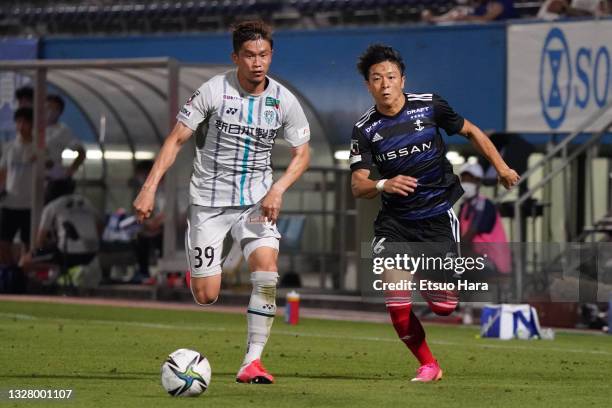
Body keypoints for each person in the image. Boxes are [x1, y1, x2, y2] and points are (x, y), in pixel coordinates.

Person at [133, 20, 311, 384]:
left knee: (266, 272)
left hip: (256, 203)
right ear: (236, 57)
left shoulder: (283, 100)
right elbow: (176, 140)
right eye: (249, 55)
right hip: (209, 205)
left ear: (271, 55)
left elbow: (302, 154)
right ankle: (214, 263)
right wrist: (149, 187)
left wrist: (277, 190)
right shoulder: (213, 91)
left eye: (263, 55)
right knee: (206, 295)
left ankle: (252, 362)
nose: (257, 62)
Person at [349, 44, 519, 382]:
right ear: (368, 85)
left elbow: (470, 130)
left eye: (391, 77)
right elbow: (358, 186)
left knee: (444, 306)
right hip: (395, 224)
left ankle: (429, 281)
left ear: (402, 79)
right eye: (377, 79)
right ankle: (428, 364)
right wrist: (384, 185)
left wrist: (500, 167)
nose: (385, 85)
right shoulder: (364, 130)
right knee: (397, 304)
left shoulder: (429, 105)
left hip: (437, 217)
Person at [20, 178, 100, 274]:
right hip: (91, 254)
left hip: (68, 254)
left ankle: (53, 274)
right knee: (52, 252)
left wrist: (38, 252)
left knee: (25, 261)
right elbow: (100, 223)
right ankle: (60, 273)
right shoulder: (85, 202)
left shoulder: (52, 206)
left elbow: (39, 241)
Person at [0, 107, 36, 265]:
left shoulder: (40, 148)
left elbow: (49, 167)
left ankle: (24, 276)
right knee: (3, 243)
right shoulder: (9, 147)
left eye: (25, 122)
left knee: (29, 245)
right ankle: (11, 273)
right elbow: (3, 172)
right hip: (9, 204)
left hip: (30, 205)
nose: (21, 126)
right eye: (18, 122)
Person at [44, 94, 86, 202]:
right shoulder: (33, 128)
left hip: (51, 182)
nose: (51, 111)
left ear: (60, 112)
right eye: (48, 107)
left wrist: (68, 172)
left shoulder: (62, 130)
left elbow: (81, 152)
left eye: (55, 109)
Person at [423, 0, 516, 23]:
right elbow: (457, 11)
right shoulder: (481, 4)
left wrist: (465, 17)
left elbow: (485, 20)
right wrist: (434, 19)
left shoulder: (501, 3)